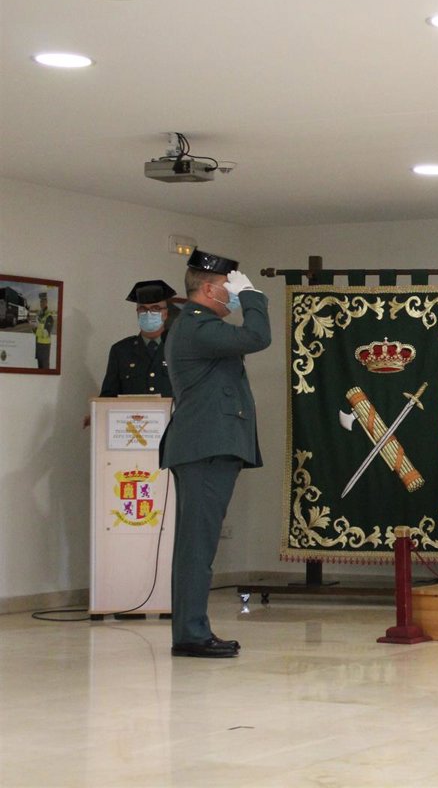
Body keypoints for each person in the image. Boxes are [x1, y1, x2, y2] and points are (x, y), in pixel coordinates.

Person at [160, 249, 270, 657]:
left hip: (206, 446)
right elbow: (257, 337)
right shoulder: (197, 325)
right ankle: (190, 634)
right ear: (208, 289)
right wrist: (254, 296)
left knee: (197, 544)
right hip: (205, 447)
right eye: (229, 286)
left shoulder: (199, 325)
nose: (234, 294)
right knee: (197, 546)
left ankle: (190, 630)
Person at [100, 280, 177, 397]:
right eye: (143, 309)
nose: (148, 313)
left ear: (165, 313)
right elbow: (108, 397)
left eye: (155, 308)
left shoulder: (179, 348)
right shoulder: (121, 351)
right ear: (137, 313)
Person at [34, 290, 55, 369]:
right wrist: (33, 328)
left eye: (43, 301)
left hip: (45, 347)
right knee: (39, 369)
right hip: (39, 345)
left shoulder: (49, 316)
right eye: (40, 302)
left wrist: (35, 330)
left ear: (46, 302)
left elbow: (46, 333)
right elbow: (38, 329)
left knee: (45, 368)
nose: (41, 303)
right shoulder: (40, 315)